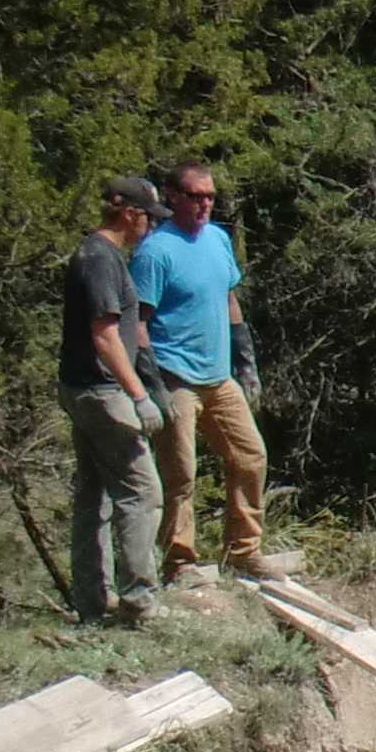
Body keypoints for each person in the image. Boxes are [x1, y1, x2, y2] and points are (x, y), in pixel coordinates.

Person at [131, 162, 288, 581]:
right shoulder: (154, 252)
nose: (204, 204)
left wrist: (246, 359)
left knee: (250, 456)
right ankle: (179, 561)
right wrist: (151, 385)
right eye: (195, 195)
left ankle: (244, 551)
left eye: (210, 196)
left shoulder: (218, 239)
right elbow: (138, 322)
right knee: (180, 472)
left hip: (218, 376)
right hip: (174, 376)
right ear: (173, 197)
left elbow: (228, 299)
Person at [60, 176, 167, 627]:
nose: (150, 226)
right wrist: (140, 395)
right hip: (103, 391)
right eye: (147, 217)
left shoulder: (92, 254)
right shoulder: (101, 259)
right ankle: (139, 602)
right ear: (128, 214)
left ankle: (91, 603)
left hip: (80, 388)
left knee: (93, 498)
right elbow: (105, 336)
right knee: (142, 492)